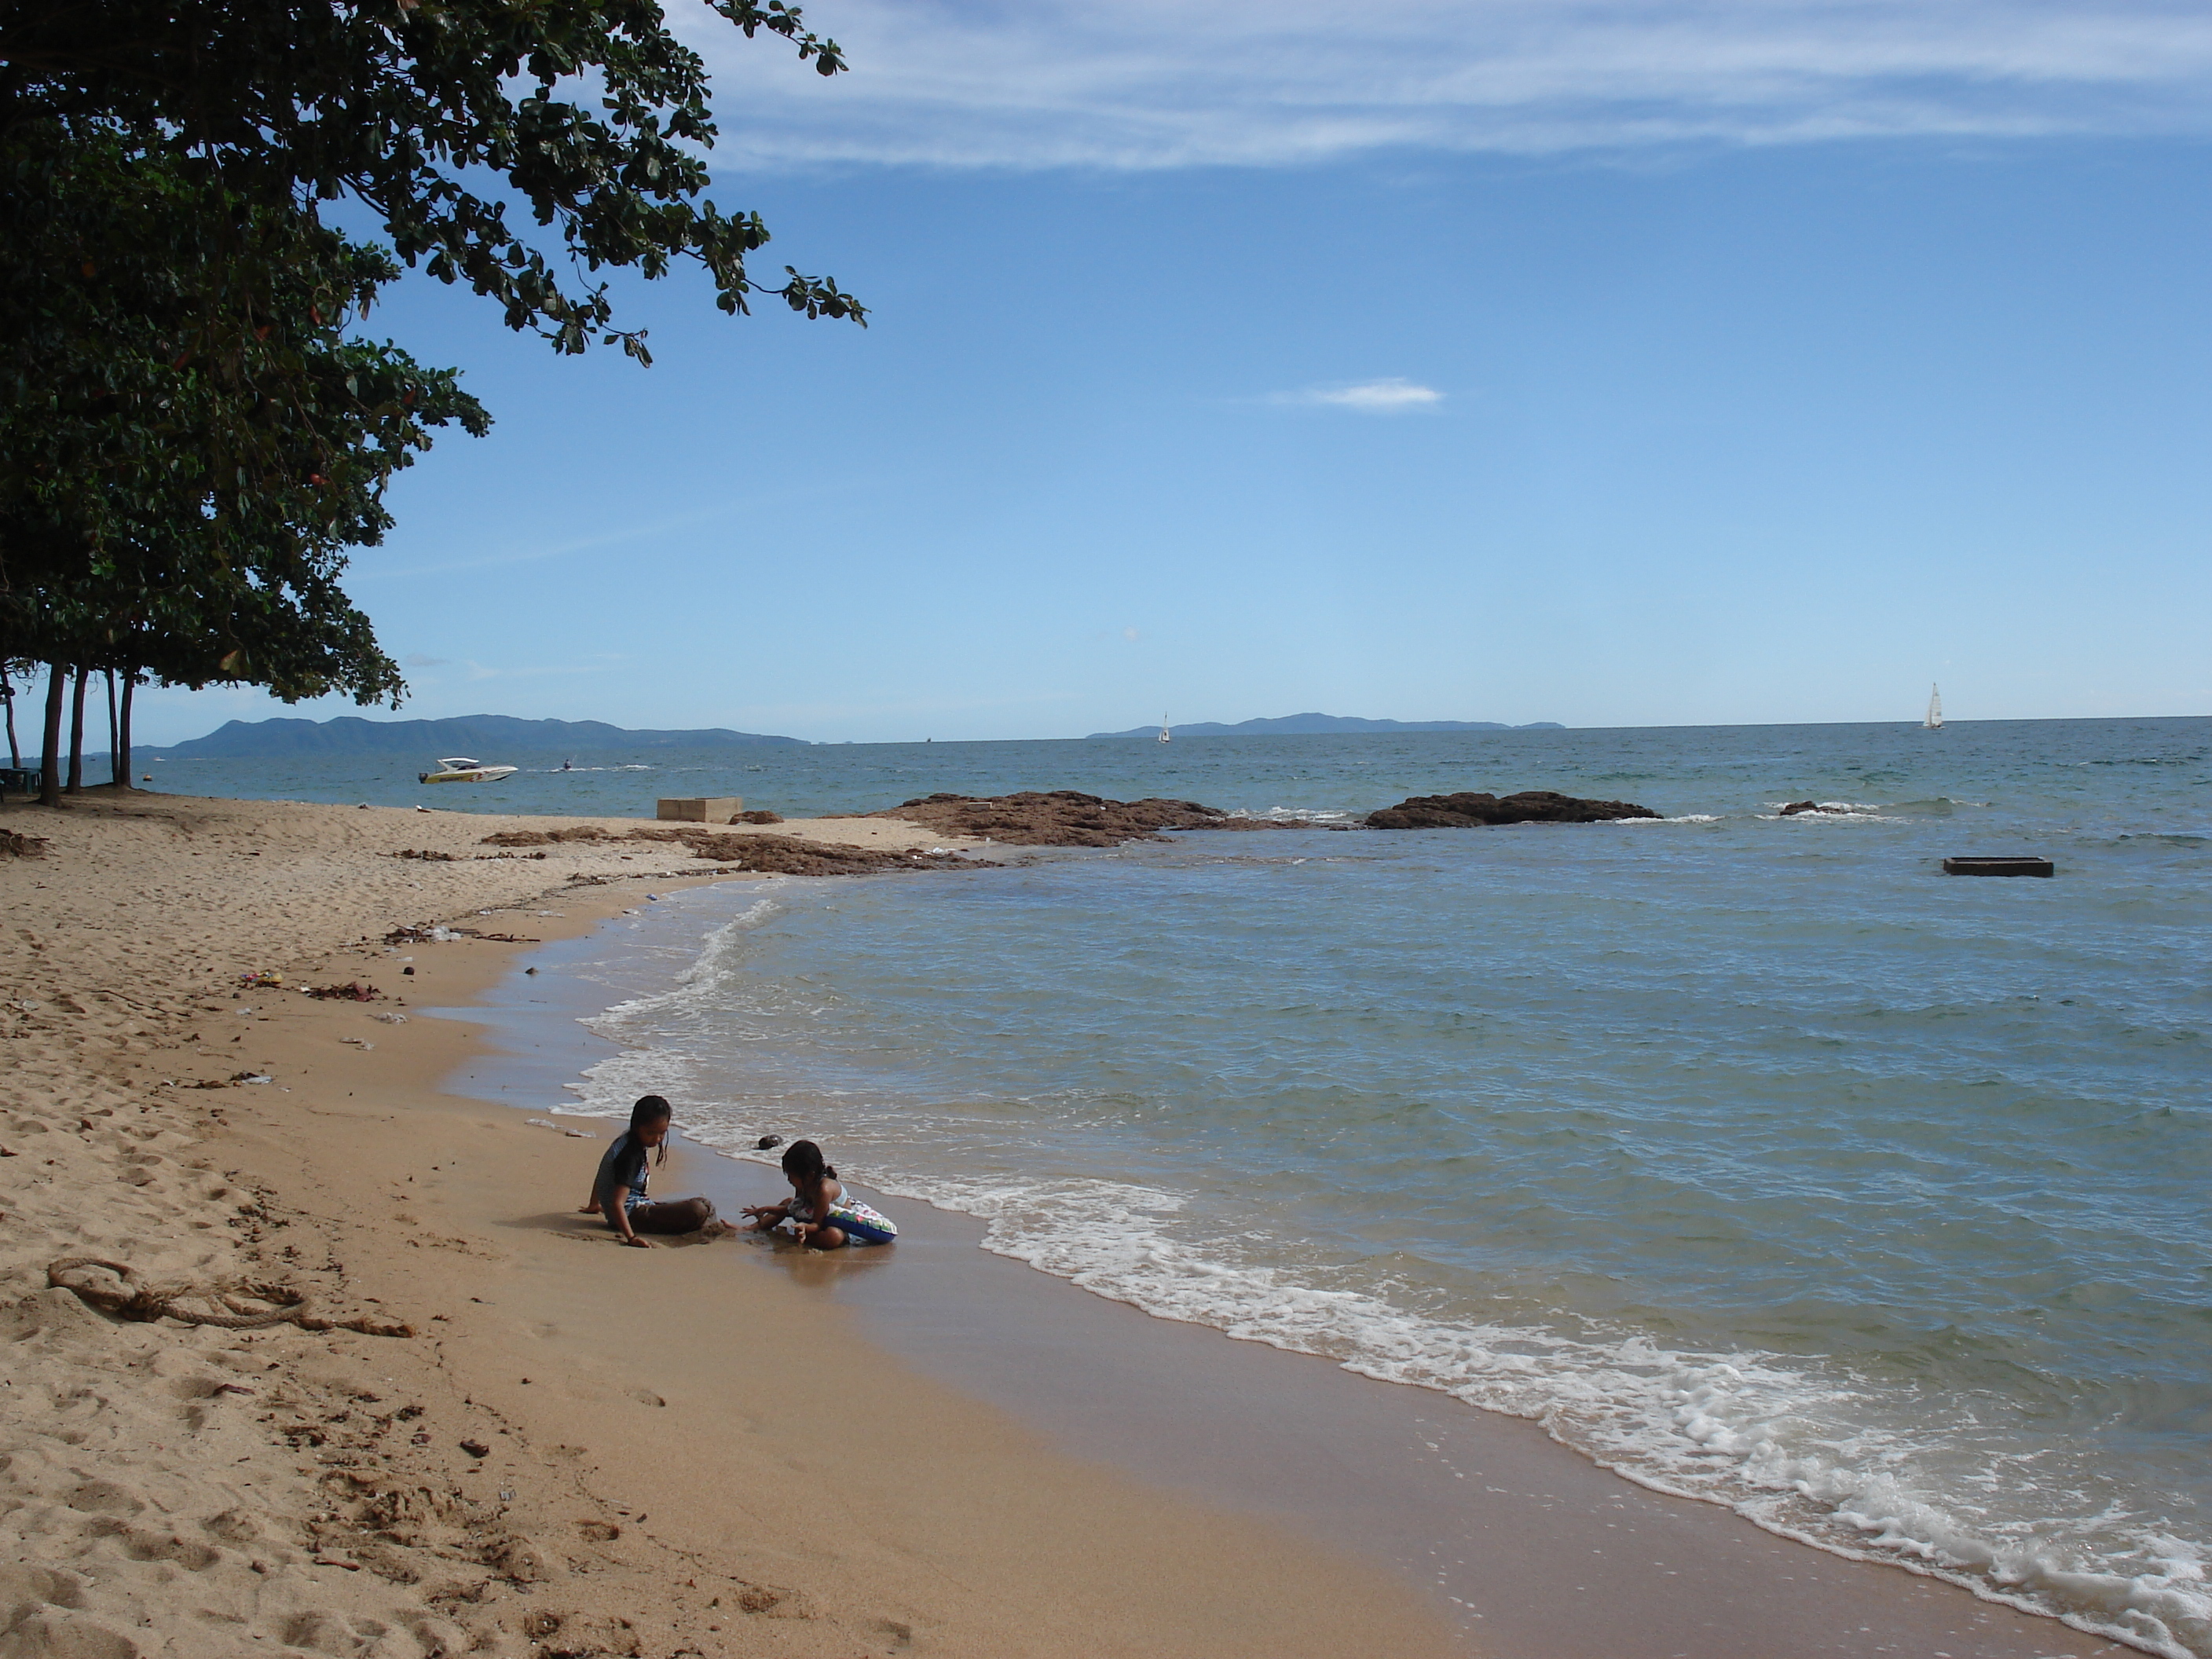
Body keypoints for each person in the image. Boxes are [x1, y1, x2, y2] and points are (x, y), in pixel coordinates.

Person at [578, 1095, 716, 1247]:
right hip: (631, 1217)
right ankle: (707, 1229)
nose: (657, 1139)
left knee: (704, 1204)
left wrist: (594, 1205)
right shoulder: (630, 1155)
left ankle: (708, 1226)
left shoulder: (626, 1140)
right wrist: (631, 1238)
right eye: (651, 1133)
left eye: (662, 1133)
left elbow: (602, 1175)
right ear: (637, 1126)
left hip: (637, 1207)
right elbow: (617, 1203)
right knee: (698, 1210)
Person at [740, 1139, 897, 1249]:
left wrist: (804, 1228)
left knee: (834, 1237)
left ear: (808, 1175)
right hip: (815, 1219)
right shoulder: (803, 1185)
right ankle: (750, 1228)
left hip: (836, 1226)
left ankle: (789, 1236)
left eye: (790, 1175)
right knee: (788, 1201)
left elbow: (817, 1224)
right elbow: (795, 1209)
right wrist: (766, 1209)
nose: (788, 1179)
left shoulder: (824, 1189)